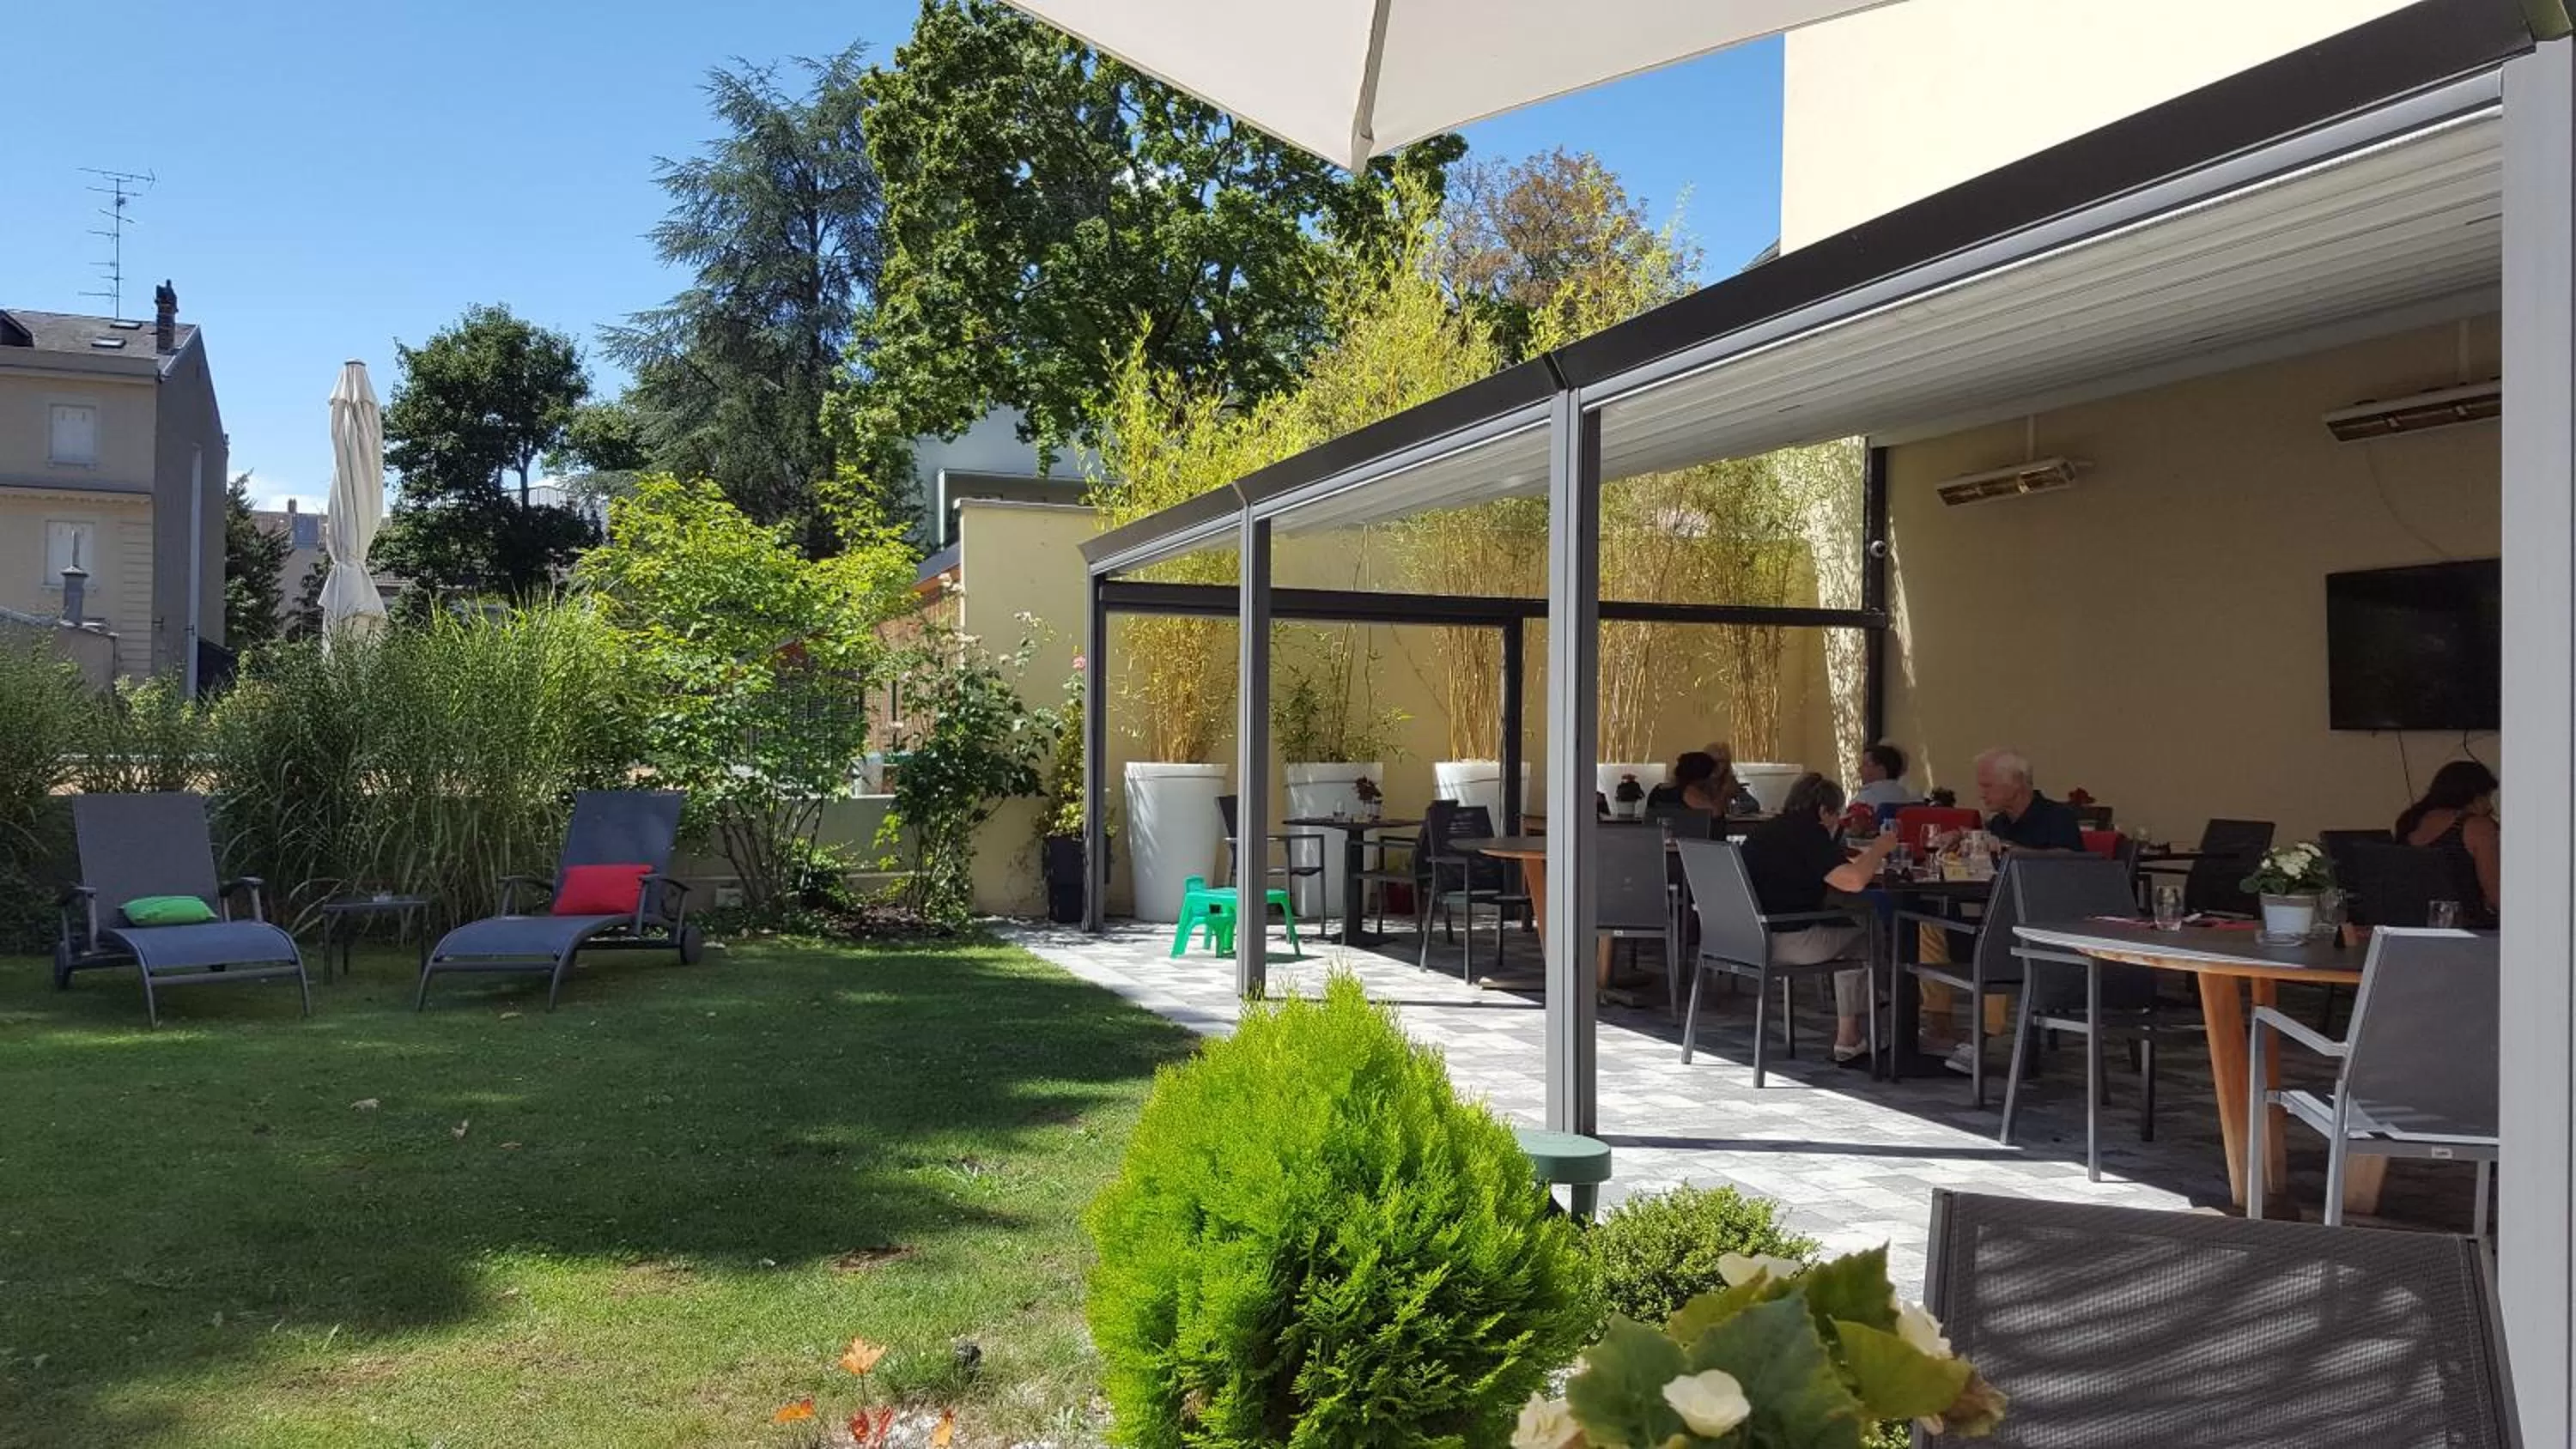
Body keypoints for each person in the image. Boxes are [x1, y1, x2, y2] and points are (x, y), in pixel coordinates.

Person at [1739, 772, 1897, 1064]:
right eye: (1835, 814)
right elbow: (1854, 881)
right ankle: (1853, 1030)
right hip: (1787, 940)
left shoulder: (1767, 831)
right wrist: (1880, 848)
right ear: (1824, 810)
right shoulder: (1809, 834)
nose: (1836, 821)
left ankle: (1870, 1007)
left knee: (1848, 923)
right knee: (1866, 929)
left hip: (1746, 936)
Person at [2395, 760, 2500, 926]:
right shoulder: (2477, 827)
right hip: (2470, 933)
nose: (2489, 806)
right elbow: (2497, 897)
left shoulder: (2411, 822)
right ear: (2472, 797)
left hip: (2412, 928)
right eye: (2485, 797)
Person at [1972, 748, 2084, 852]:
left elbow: (2071, 864)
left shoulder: (2058, 818)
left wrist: (2012, 850)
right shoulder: (1998, 823)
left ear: (2016, 782)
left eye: (1987, 786)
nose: (1981, 794)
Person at [1851, 743, 1914, 811]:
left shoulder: (1864, 800)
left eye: (1865, 764)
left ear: (1881, 770)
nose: (1860, 769)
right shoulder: (1907, 797)